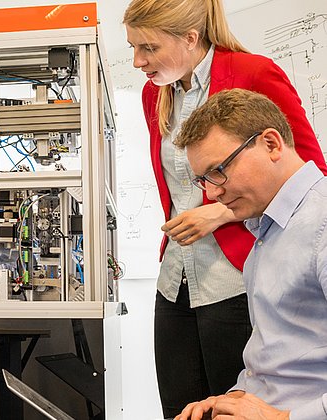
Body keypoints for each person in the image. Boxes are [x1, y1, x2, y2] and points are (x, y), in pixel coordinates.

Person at [122, 0, 327, 417]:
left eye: (148, 48)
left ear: (190, 38)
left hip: (235, 271)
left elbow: (306, 170)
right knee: (190, 408)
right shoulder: (154, 95)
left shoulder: (252, 74)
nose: (137, 61)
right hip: (177, 276)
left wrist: (217, 213)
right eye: (132, 47)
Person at [173, 88, 327, 420]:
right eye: (204, 180)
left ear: (271, 144)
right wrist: (233, 400)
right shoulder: (266, 232)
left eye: (219, 170)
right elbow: (274, 362)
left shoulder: (321, 224)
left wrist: (283, 419)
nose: (212, 193)